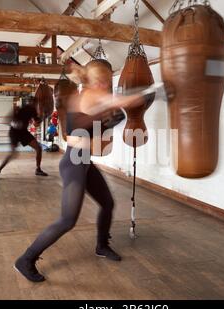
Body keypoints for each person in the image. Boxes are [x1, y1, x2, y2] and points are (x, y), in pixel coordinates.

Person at [14, 60, 148, 282]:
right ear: (92, 80)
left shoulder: (93, 98)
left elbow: (91, 126)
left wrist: (108, 122)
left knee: (107, 203)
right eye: (100, 80)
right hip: (73, 163)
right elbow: (108, 108)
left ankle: (102, 245)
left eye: (107, 80)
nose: (104, 84)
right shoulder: (87, 95)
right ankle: (26, 259)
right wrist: (149, 94)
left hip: (84, 161)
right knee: (67, 220)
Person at [0, 97, 48, 180]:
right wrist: (15, 118)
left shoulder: (32, 110)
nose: (33, 104)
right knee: (12, 153)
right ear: (29, 102)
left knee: (38, 148)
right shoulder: (20, 109)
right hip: (14, 132)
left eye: (34, 103)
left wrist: (43, 117)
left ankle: (38, 169)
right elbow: (6, 120)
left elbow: (36, 124)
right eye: (32, 102)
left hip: (23, 132)